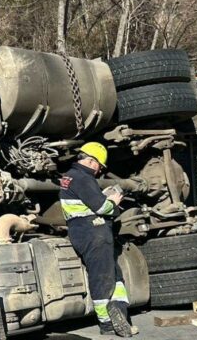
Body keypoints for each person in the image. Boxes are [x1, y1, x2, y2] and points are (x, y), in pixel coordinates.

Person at [60, 142, 138, 337]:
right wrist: (114, 201)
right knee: (102, 278)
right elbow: (103, 208)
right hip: (94, 232)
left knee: (115, 275)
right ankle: (107, 324)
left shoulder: (69, 177)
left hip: (81, 231)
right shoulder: (83, 178)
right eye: (100, 167)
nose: (99, 171)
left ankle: (119, 310)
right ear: (91, 161)